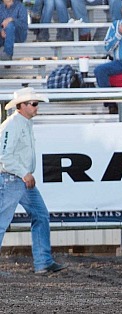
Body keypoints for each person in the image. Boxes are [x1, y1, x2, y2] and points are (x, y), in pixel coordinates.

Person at [0, 87, 67, 274]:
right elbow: (4, 156)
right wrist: (24, 172)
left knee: (40, 215)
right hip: (13, 179)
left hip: (18, 179)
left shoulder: (21, 123)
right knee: (5, 221)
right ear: (22, 106)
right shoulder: (12, 125)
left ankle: (43, 262)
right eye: (34, 104)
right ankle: (42, 261)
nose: (37, 107)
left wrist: (24, 174)